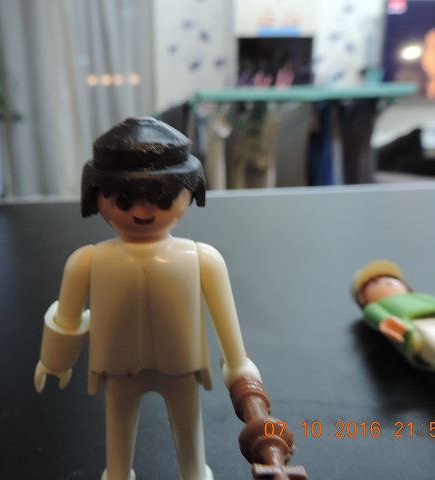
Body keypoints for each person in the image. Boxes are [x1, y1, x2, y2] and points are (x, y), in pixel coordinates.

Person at [33, 117, 279, 480]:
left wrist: (240, 369)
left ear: (190, 191)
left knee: (189, 435)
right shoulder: (87, 261)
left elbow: (227, 327)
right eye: (124, 200)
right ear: (96, 195)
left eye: (162, 199)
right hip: (119, 368)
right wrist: (55, 361)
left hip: (181, 366)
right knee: (118, 438)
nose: (143, 212)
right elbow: (68, 316)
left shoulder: (203, 259)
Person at [352, 260, 435, 410]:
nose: (387, 284)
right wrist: (387, 323)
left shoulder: (421, 296)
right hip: (420, 326)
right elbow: (376, 316)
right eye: (375, 284)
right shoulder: (377, 306)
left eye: (391, 281)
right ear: (363, 298)